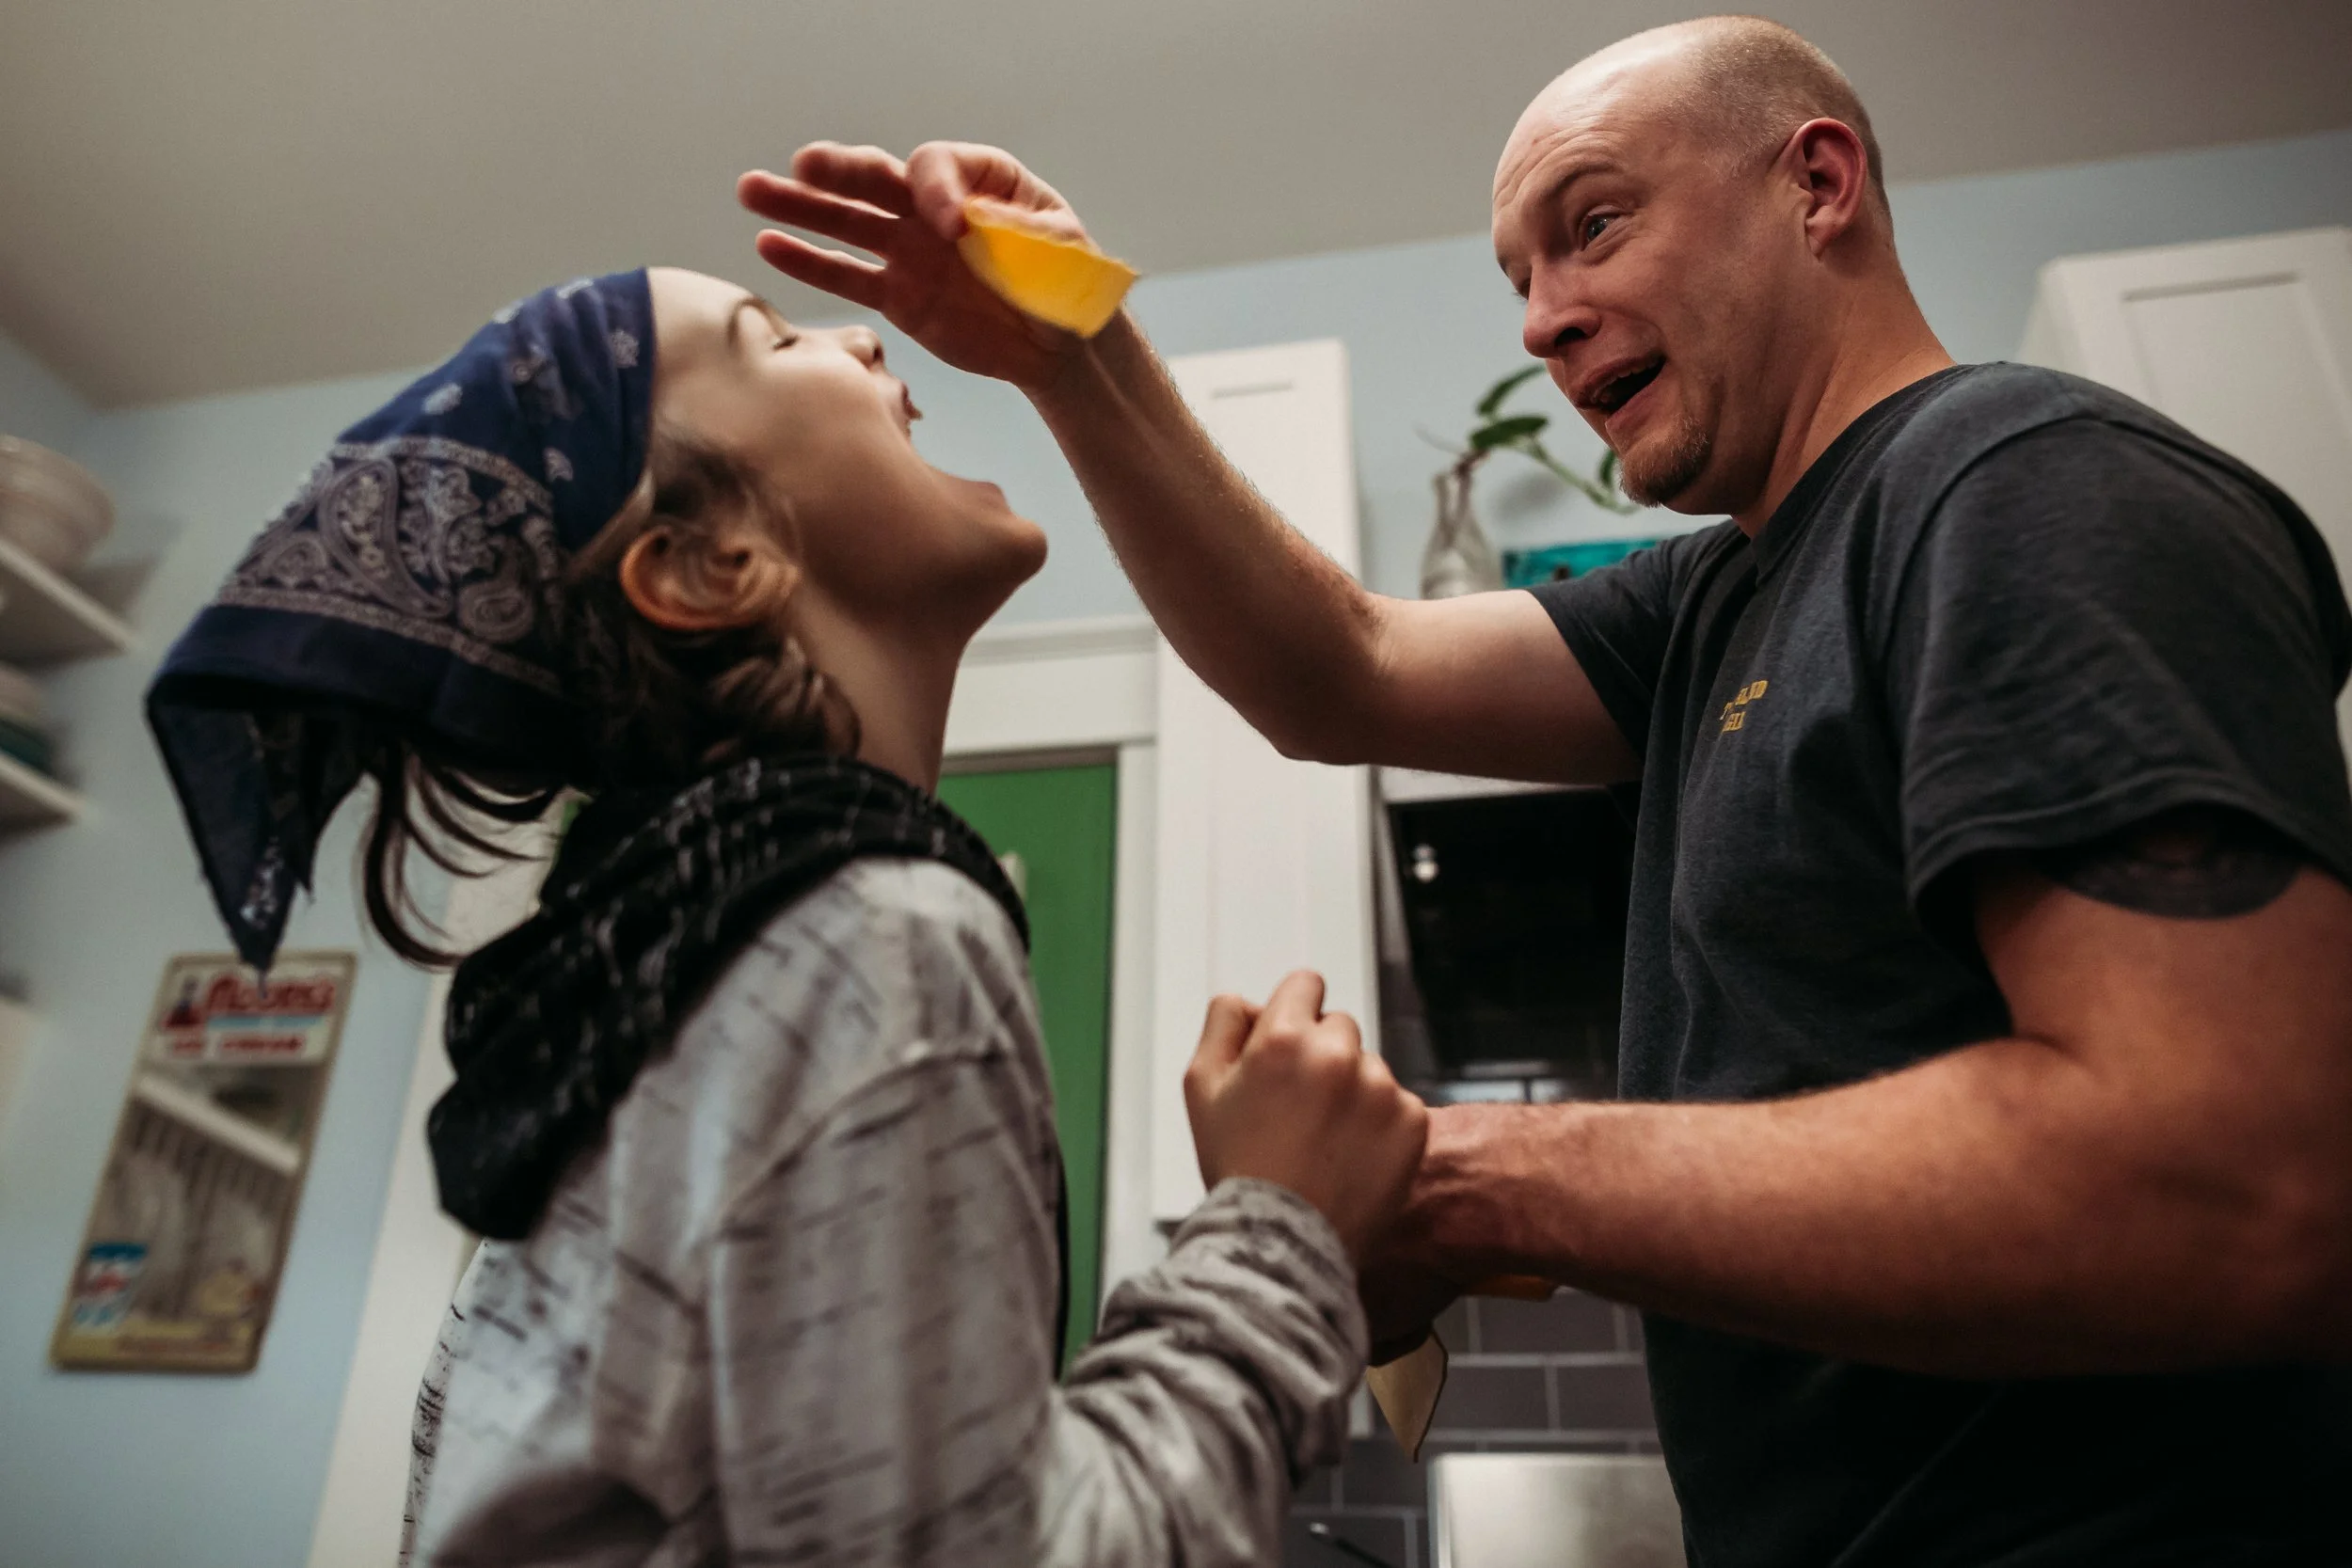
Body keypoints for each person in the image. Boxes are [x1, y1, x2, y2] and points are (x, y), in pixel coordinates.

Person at [739, 14, 2352, 1563]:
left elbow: (2236, 1172)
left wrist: (1448, 1179)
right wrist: (1070, 355)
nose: (1541, 318)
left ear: (1817, 183)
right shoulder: (1717, 600)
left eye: (1594, 226)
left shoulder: (2014, 479)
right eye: (1518, 278)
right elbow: (1340, 669)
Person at [144, 266, 1429, 1566]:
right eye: (768, 335)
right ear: (710, 570)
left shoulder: (662, 965)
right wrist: (1283, 1218)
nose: (864, 334)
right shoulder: (867, 935)